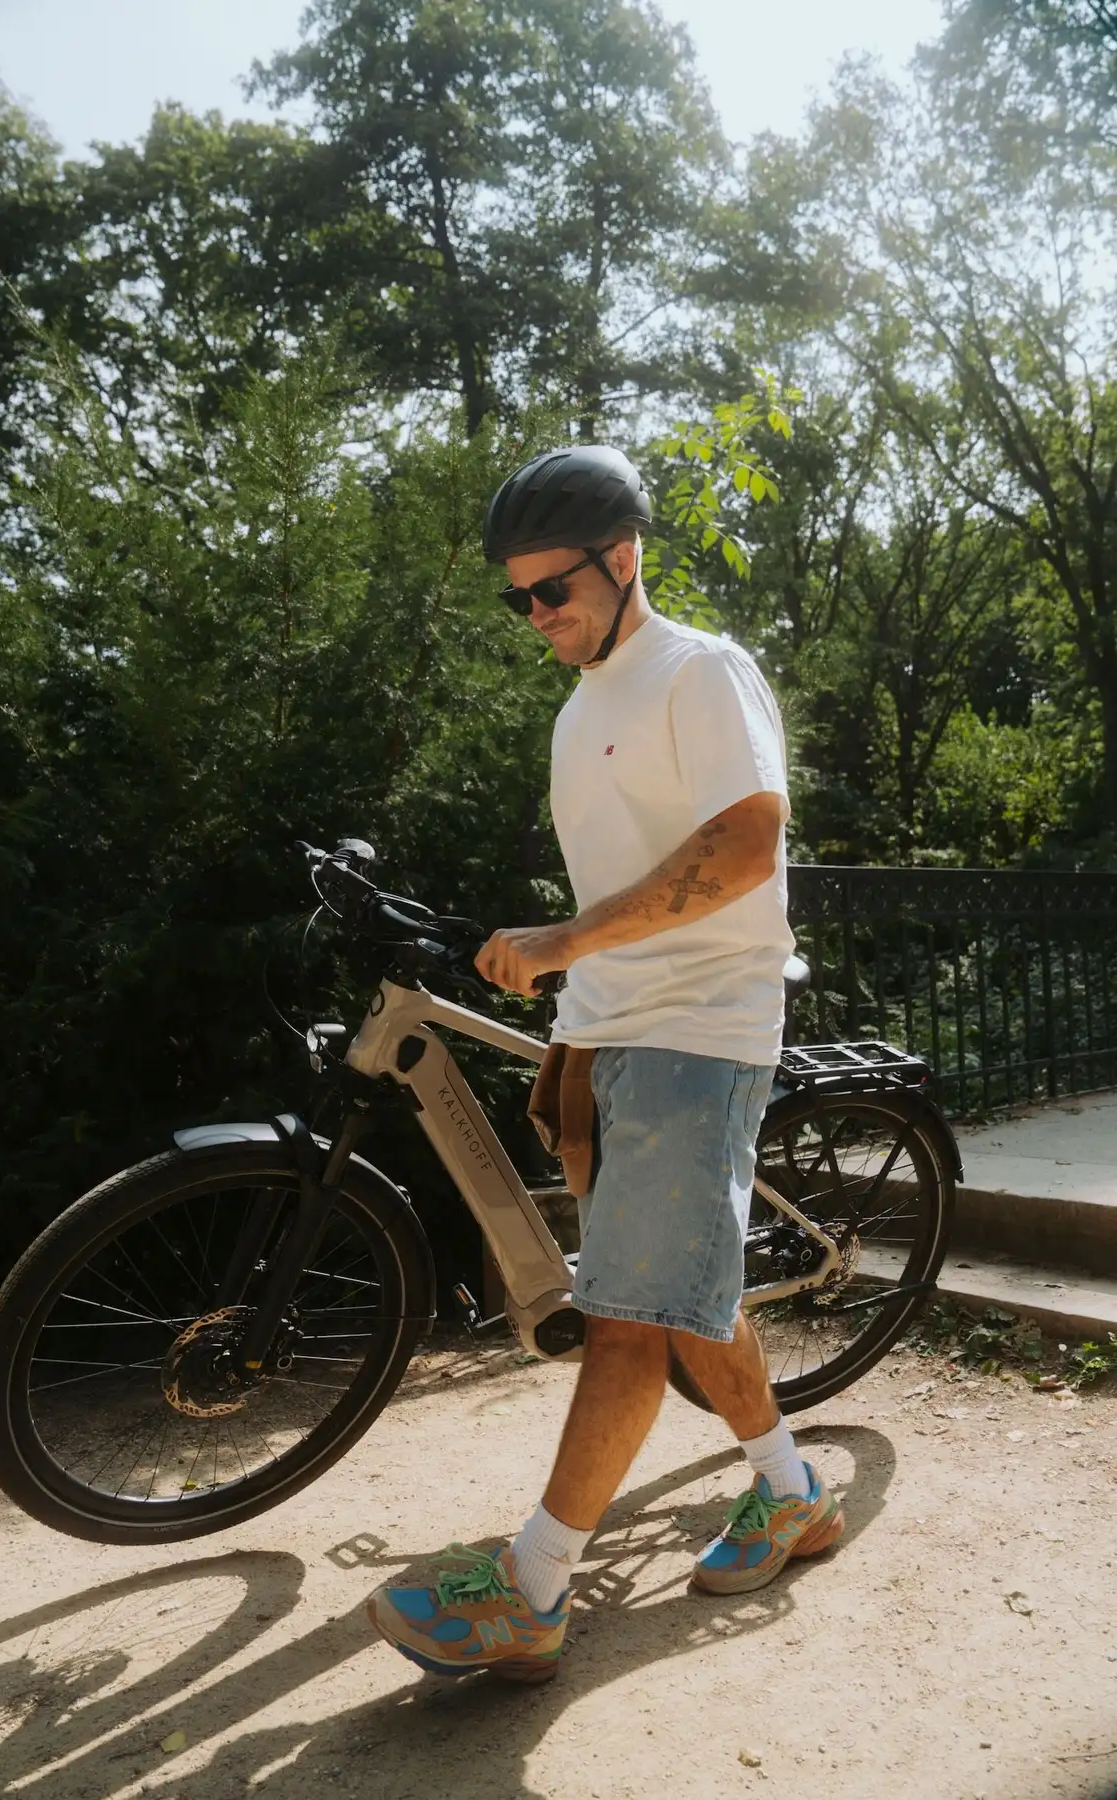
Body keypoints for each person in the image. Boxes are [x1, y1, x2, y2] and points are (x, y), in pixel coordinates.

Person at [366, 444, 843, 1684]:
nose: (536, 617)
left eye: (552, 592)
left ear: (622, 560)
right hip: (608, 1031)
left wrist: (568, 939)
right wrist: (572, 978)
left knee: (627, 1313)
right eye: (517, 597)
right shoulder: (584, 707)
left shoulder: (701, 671)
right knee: (677, 1284)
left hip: (701, 1033)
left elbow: (745, 847)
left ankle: (531, 1590)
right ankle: (792, 1492)